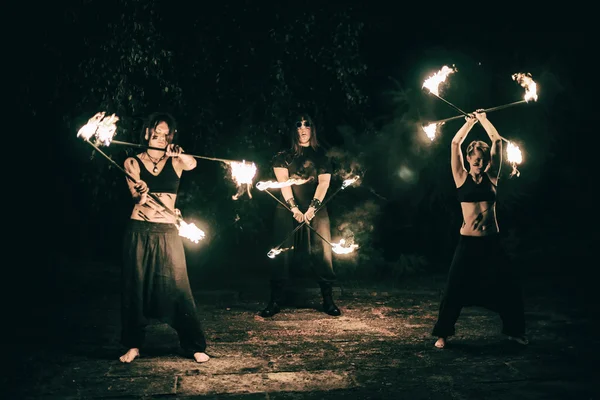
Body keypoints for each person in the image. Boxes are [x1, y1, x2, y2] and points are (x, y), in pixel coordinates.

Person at [432, 109, 528, 349]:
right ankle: (443, 334)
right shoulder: (460, 177)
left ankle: (515, 332)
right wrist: (469, 122)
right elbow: (455, 142)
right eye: (474, 159)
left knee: (509, 286)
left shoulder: (492, 176)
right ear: (468, 159)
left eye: (482, 159)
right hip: (468, 242)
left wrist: (483, 120)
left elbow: (496, 141)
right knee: (453, 289)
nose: (478, 162)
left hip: (491, 242)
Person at [119, 112, 210, 363]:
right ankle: (133, 345)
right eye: (155, 132)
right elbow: (136, 197)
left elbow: (192, 164)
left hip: (168, 230)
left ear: (170, 136)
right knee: (135, 288)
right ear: (147, 133)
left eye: (165, 134)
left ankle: (194, 345)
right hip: (139, 230)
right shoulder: (132, 162)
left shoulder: (176, 161)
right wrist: (140, 192)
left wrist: (178, 153)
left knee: (179, 286)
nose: (159, 137)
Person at [260, 113, 341, 318]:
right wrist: (294, 208)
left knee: (323, 252)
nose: (303, 129)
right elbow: (284, 184)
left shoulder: (321, 154)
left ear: (312, 129)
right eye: (298, 125)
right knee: (281, 251)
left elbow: (324, 183)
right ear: (293, 129)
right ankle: (275, 301)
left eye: (307, 125)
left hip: (317, 206)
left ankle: (328, 300)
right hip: (287, 207)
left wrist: (313, 208)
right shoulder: (283, 156)